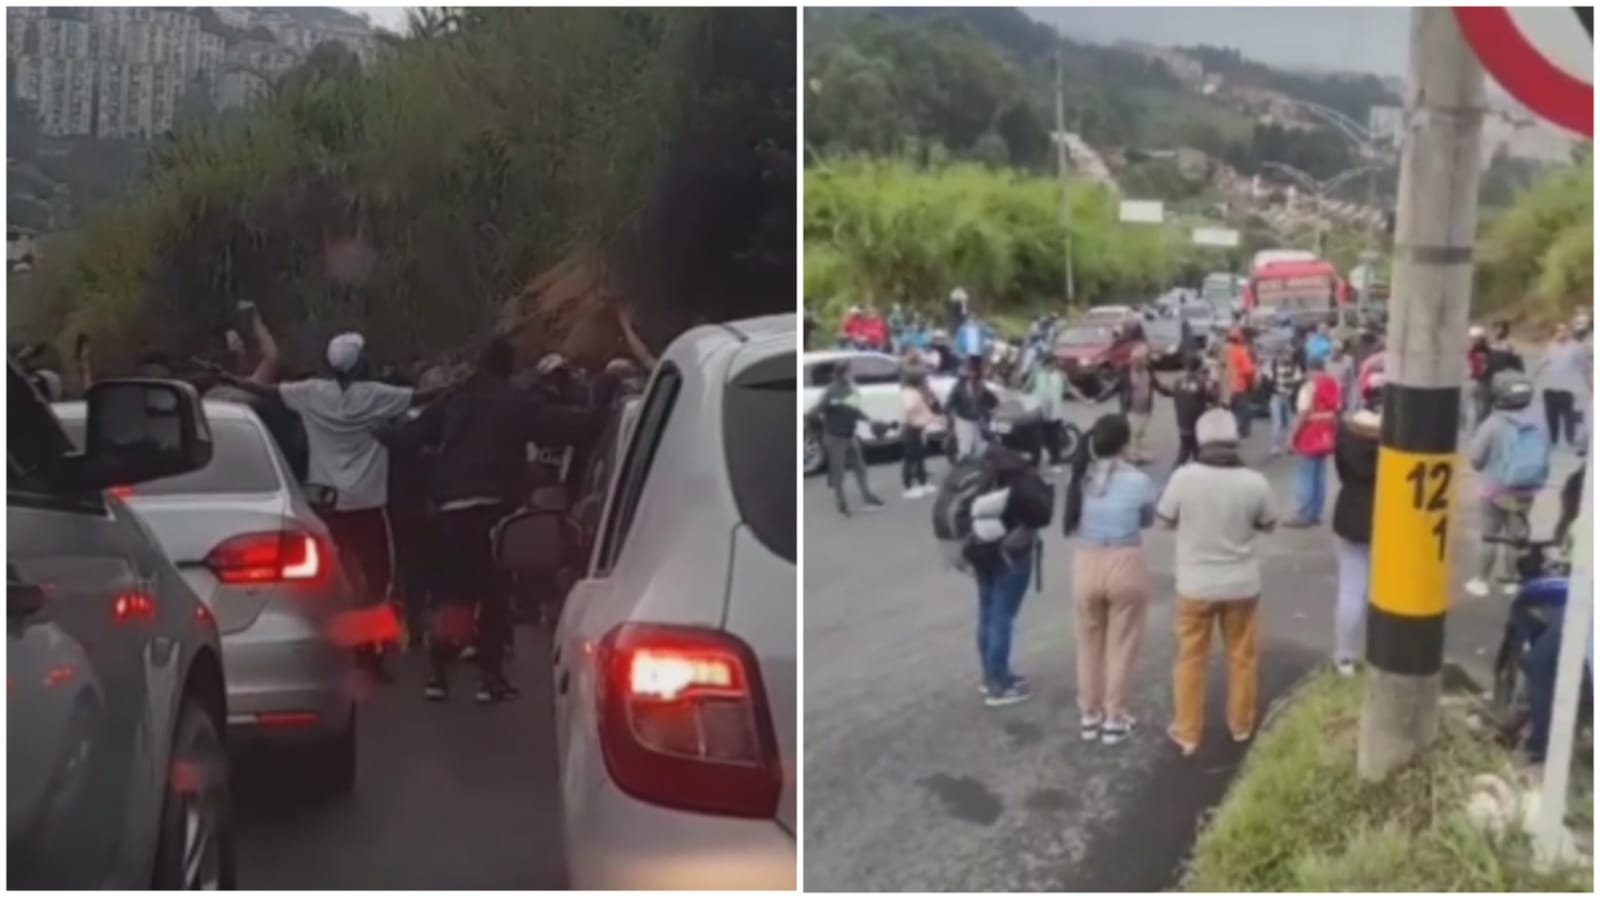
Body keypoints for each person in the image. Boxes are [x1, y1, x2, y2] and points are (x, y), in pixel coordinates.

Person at [218, 332, 455, 680]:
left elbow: (268, 391)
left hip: (326, 506)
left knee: (334, 579)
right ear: (361, 363)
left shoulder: (311, 393)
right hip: (369, 505)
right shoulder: (378, 396)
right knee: (378, 583)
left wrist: (230, 379)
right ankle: (368, 652)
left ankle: (335, 646)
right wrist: (456, 386)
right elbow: (424, 397)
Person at [395, 338, 599, 702]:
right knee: (492, 593)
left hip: (449, 511)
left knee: (450, 595)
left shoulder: (453, 400)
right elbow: (563, 428)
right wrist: (600, 413)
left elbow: (409, 436)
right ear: (508, 368)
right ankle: (489, 680)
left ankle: (437, 676)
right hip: (493, 511)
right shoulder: (514, 402)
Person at [1157, 408, 1277, 755]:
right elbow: (1269, 524)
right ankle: (1240, 726)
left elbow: (1165, 520)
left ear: (1200, 440)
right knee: (1242, 656)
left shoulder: (1184, 478)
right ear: (1235, 440)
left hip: (1195, 585)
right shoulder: (1254, 482)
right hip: (1242, 585)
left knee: (1190, 658)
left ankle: (1188, 732)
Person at [1062, 414, 1156, 745]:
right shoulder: (1138, 481)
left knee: (1088, 643)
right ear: (1125, 443)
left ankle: (1089, 714)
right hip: (1125, 562)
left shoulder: (1079, 478)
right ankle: (1115, 717)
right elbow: (1146, 519)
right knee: (1122, 643)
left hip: (1086, 561)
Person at [958, 443, 1053, 707]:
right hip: (1011, 555)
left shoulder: (982, 470)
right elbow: (1041, 515)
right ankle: (999, 683)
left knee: (987, 612)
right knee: (1002, 617)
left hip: (980, 552)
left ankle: (990, 674)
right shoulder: (1022, 478)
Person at [1465, 370, 1548, 597]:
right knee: (1515, 536)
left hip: (1495, 488)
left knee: (1490, 535)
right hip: (1525, 489)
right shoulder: (1538, 423)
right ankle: (1511, 580)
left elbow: (1476, 459)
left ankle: (1481, 580)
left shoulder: (1493, 423)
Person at [1330, 368, 1384, 675]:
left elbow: (1340, 469)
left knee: (1351, 591)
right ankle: (1383, 649)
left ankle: (1345, 657)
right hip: (1388, 516)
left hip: (1350, 512)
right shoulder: (1397, 436)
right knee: (1386, 591)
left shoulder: (1347, 431)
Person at [808, 363, 885, 516]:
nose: (853, 374)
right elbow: (813, 412)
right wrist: (824, 426)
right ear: (842, 373)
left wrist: (869, 420)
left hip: (850, 436)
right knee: (839, 472)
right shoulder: (831, 391)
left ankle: (867, 496)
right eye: (850, 372)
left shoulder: (850, 389)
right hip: (835, 438)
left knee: (860, 468)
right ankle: (841, 504)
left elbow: (854, 410)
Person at [1285, 356, 1341, 527]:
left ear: (1310, 369)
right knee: (1319, 473)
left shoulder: (1309, 387)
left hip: (1310, 433)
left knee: (1306, 474)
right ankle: (1316, 512)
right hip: (1326, 433)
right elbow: (1338, 409)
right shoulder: (1333, 384)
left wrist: (1291, 436)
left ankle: (1302, 513)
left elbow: (1302, 414)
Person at [1533, 323, 1589, 451]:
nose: (1561, 333)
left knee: (1570, 417)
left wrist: (1590, 386)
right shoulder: (1550, 347)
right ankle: (1553, 441)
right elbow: (1541, 364)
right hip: (1550, 388)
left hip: (1568, 390)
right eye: (1558, 331)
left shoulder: (1576, 348)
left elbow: (1585, 367)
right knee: (1551, 418)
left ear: (1569, 332)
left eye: (1563, 330)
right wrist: (1532, 380)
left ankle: (1571, 440)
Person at [1155, 352, 1216, 467]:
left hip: (1183, 423)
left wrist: (1156, 383)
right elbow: (1212, 398)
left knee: (1185, 450)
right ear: (1200, 367)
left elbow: (1166, 392)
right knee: (1196, 451)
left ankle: (1177, 470)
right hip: (1197, 423)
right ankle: (1195, 473)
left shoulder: (1178, 383)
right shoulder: (1202, 383)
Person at [1027, 356, 1080, 468]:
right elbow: (1027, 388)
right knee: (1035, 436)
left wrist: (1085, 400)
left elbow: (1070, 388)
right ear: (1048, 364)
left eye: (1057, 364)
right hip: (1038, 410)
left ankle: (1055, 459)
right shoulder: (1037, 373)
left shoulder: (1061, 375)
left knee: (1053, 438)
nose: (1056, 366)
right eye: (1055, 364)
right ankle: (1035, 459)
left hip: (1055, 412)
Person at [1110, 345, 1157, 464]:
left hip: (1146, 409)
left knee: (1140, 433)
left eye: (1144, 359)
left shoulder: (1148, 371)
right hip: (1132, 409)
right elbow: (1113, 388)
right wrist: (1097, 399)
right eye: (1138, 360)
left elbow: (1157, 385)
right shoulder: (1126, 373)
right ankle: (1133, 458)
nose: (1142, 362)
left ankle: (1133, 454)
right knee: (1133, 434)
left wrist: (1173, 392)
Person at [946, 355, 998, 461]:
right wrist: (949, 416)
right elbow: (950, 402)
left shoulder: (980, 385)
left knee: (980, 450)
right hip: (963, 420)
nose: (970, 373)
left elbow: (993, 402)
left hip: (977, 421)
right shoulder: (960, 385)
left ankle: (976, 472)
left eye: (972, 370)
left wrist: (986, 396)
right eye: (969, 370)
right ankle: (961, 473)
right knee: (965, 450)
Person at [900, 362, 939, 499]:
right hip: (911, 429)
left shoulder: (914, 392)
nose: (925, 381)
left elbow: (924, 411)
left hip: (917, 429)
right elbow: (909, 408)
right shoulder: (910, 393)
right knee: (911, 458)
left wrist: (933, 418)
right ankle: (908, 487)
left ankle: (923, 483)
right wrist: (915, 419)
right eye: (923, 378)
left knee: (920, 457)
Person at [1266, 345, 1303, 457]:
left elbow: (1298, 381)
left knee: (1290, 423)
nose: (1287, 356)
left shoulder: (1294, 367)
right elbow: (1266, 378)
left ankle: (1290, 445)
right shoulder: (1273, 364)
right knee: (1277, 422)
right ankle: (1275, 447)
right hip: (1276, 397)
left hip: (1288, 398)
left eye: (1289, 354)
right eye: (1285, 354)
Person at [1222, 329, 1257, 439]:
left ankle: (1228, 431)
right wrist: (1252, 382)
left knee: (1229, 411)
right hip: (1239, 386)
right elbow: (1248, 371)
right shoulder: (1241, 351)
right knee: (1244, 411)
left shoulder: (1222, 350)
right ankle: (1241, 432)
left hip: (1225, 388)